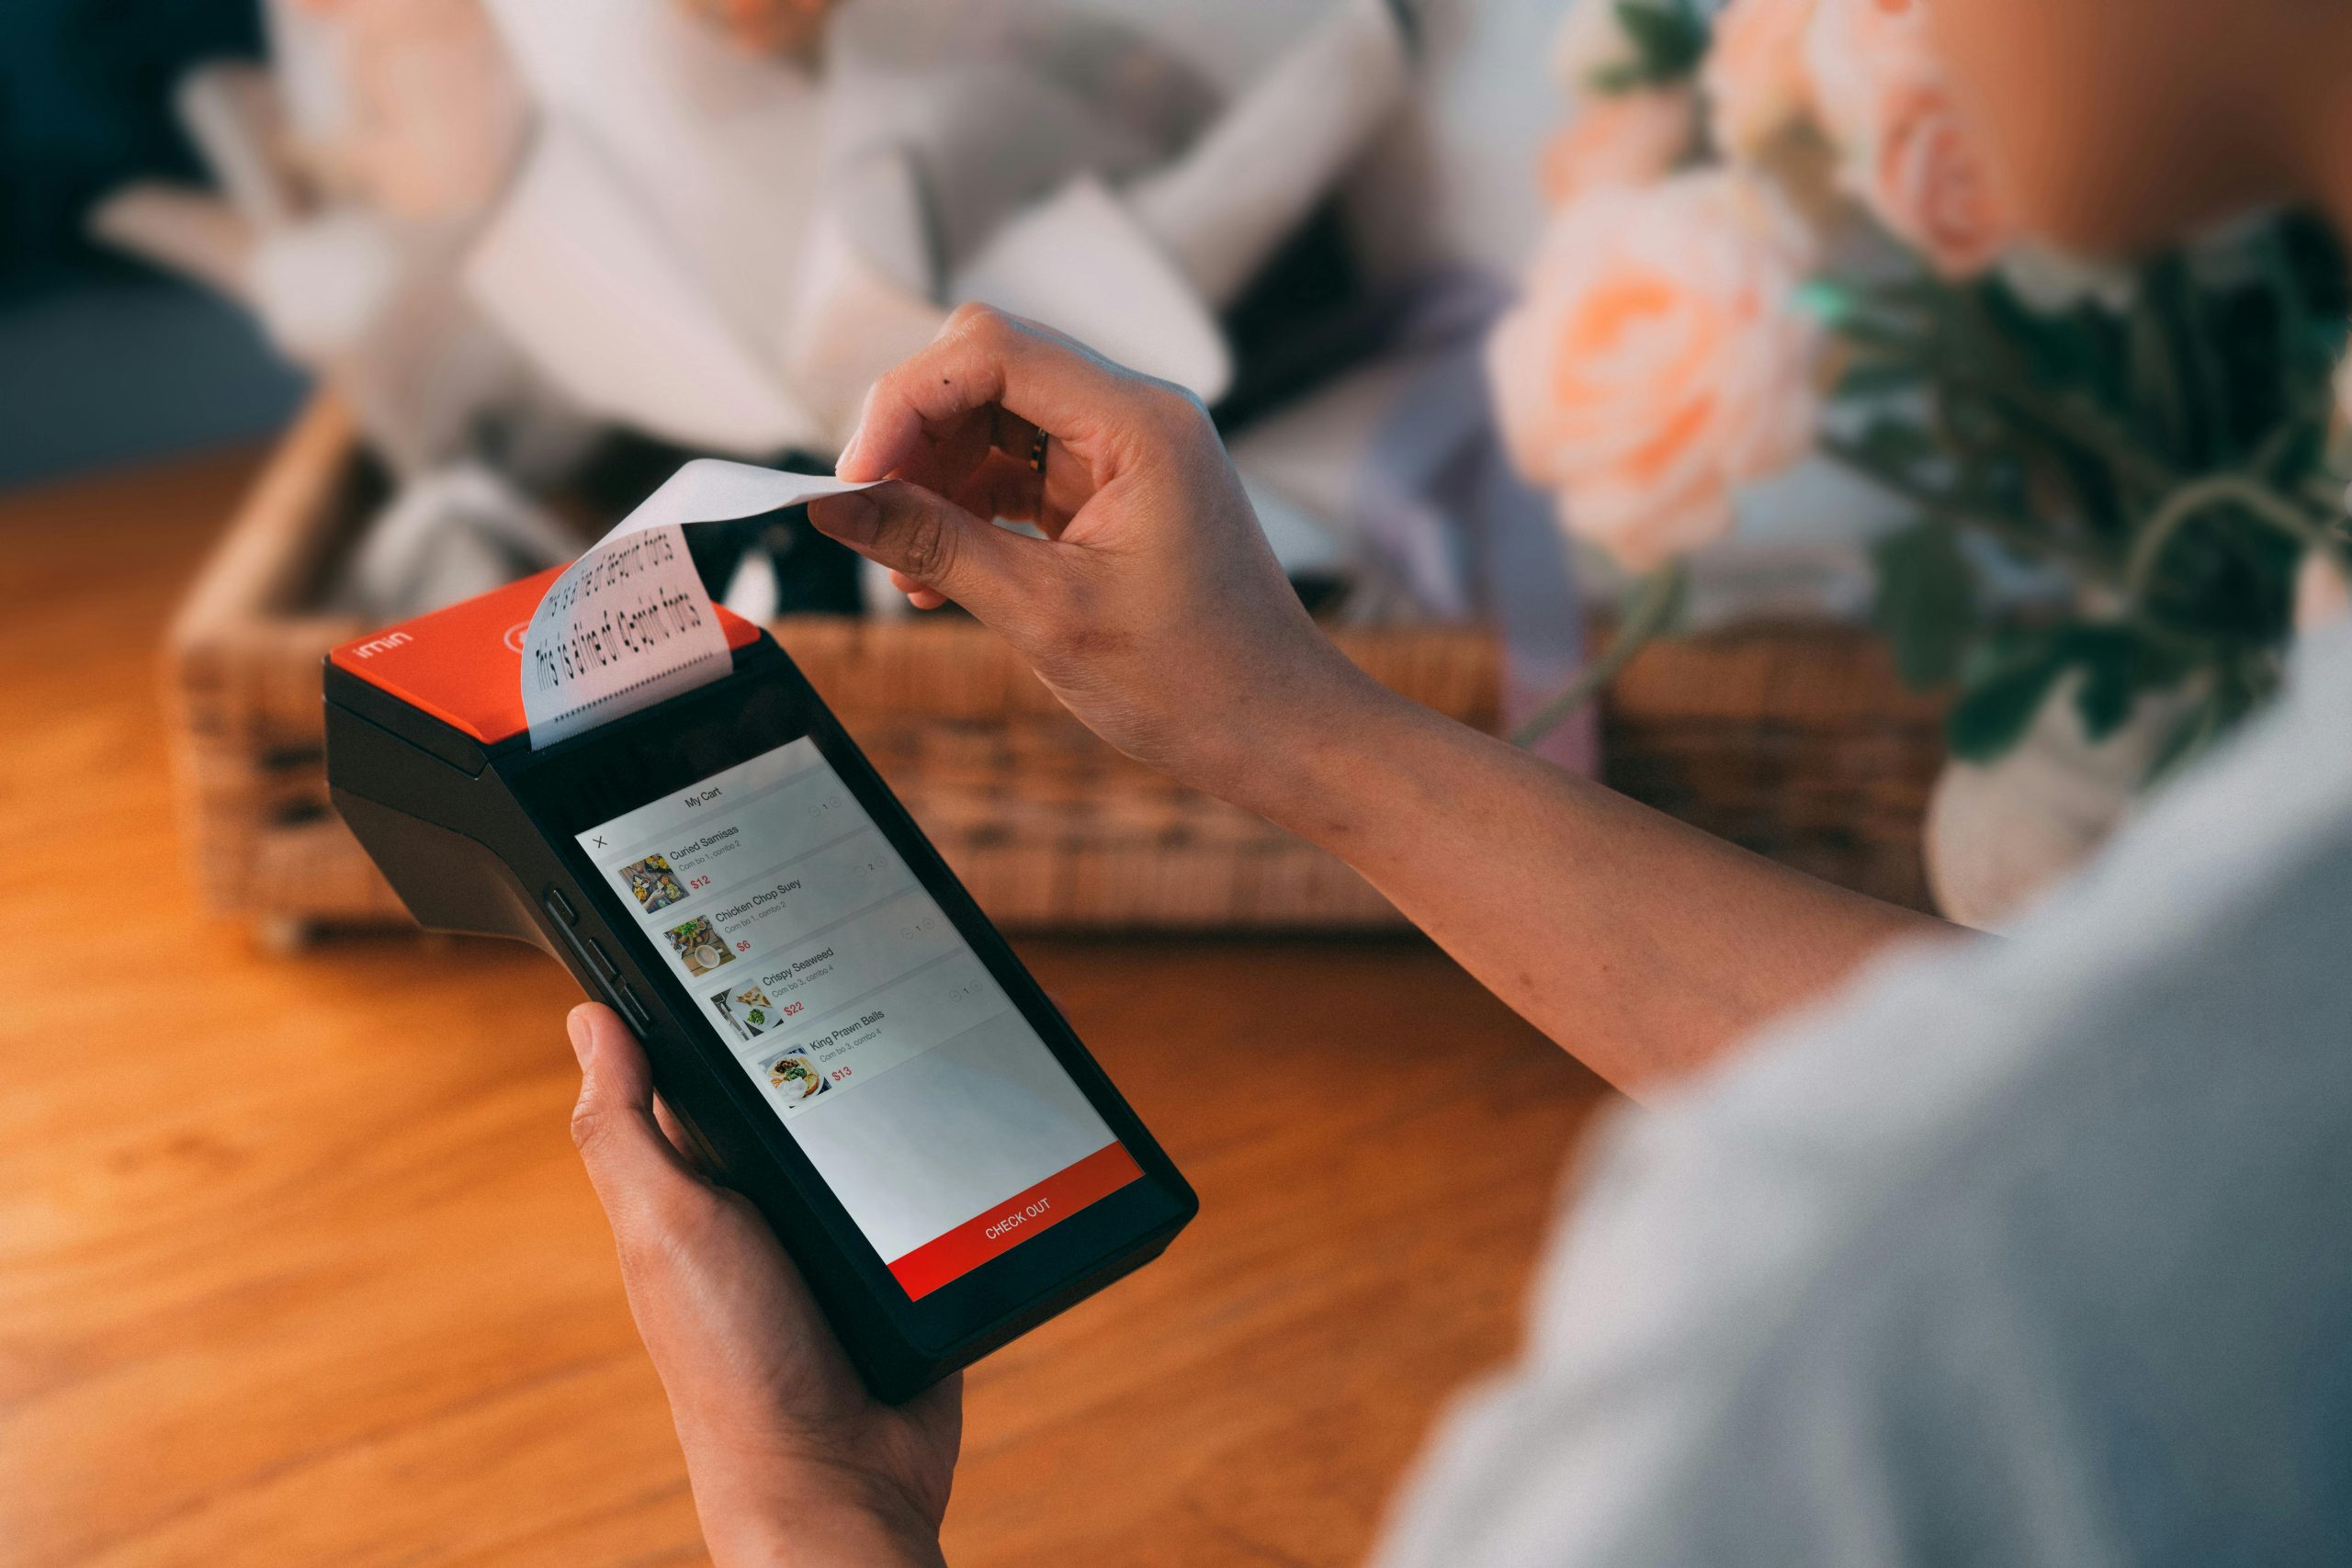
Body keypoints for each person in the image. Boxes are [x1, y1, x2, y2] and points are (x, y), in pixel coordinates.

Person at [559, 0, 2352, 1562]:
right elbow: (2103, 1102)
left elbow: (2040, 1147)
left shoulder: (1840, 1337)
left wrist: (808, 1508)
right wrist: (1280, 716)